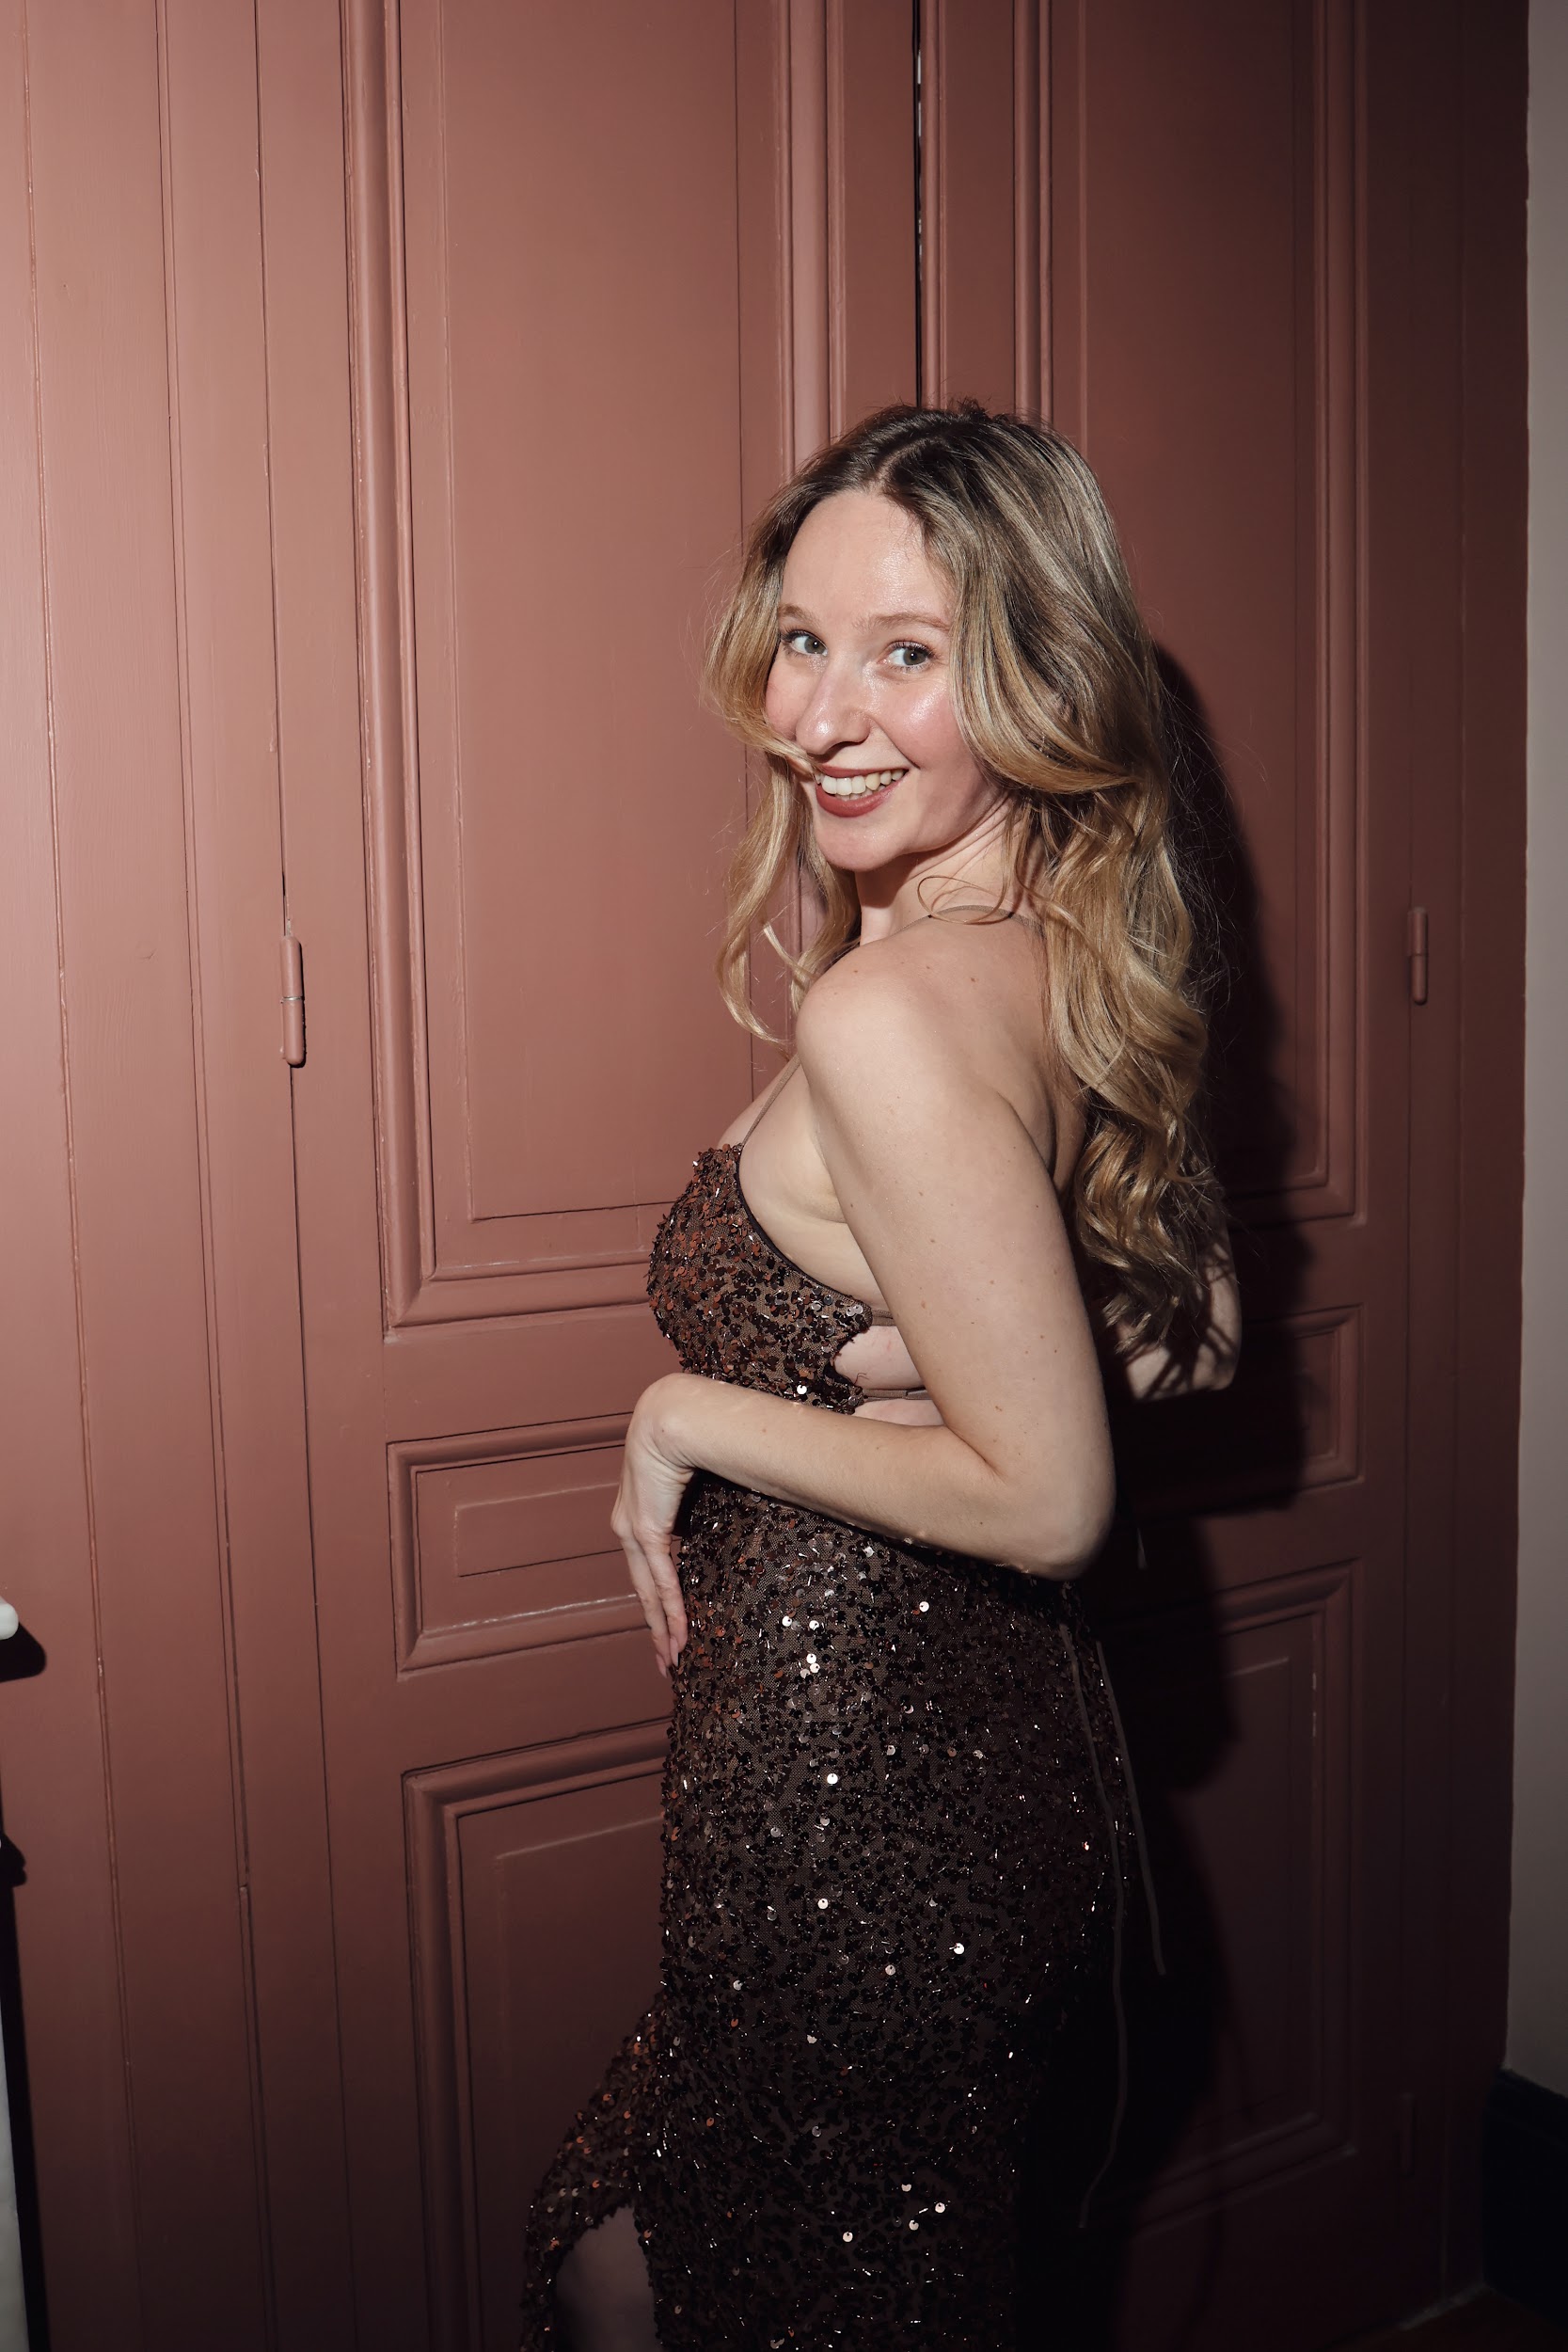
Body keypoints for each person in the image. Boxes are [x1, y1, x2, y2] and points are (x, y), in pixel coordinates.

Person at [518, 401, 1239, 2351]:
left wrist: (689, 1411)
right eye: (802, 641)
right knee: (657, 2253)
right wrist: (1016, 1335)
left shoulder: (894, 1009)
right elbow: (1202, 1321)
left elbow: (1051, 1497)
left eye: (906, 652)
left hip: (859, 1813)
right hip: (989, 1768)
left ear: (1035, 677)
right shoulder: (1063, 954)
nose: (821, 713)